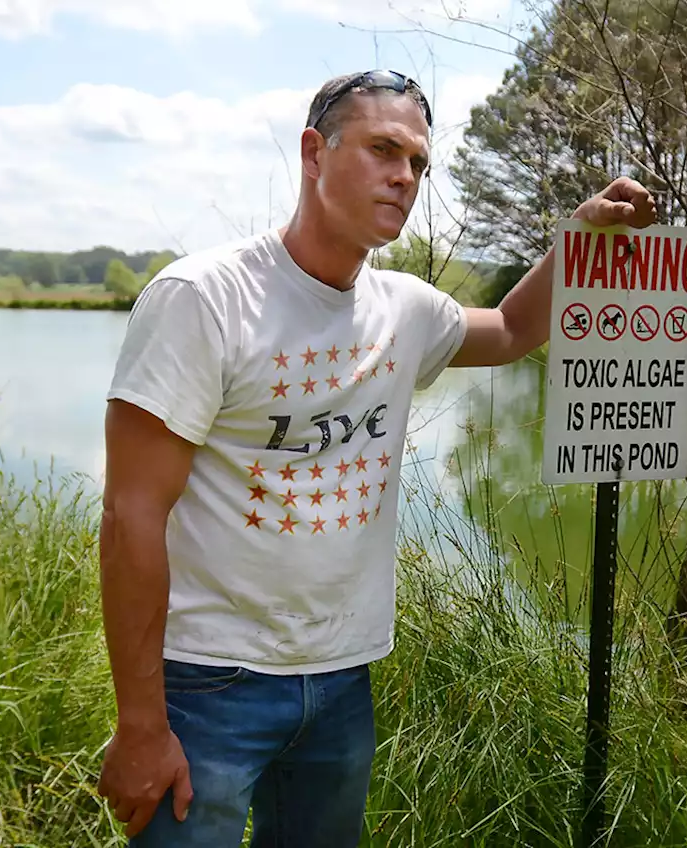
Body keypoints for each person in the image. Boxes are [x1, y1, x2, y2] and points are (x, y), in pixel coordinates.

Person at [96, 68, 657, 847]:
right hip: (208, 685)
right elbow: (131, 515)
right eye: (383, 149)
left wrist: (582, 235)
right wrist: (139, 725)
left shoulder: (407, 311)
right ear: (314, 153)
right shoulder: (204, 299)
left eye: (419, 163)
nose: (404, 177)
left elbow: (513, 331)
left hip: (340, 682)